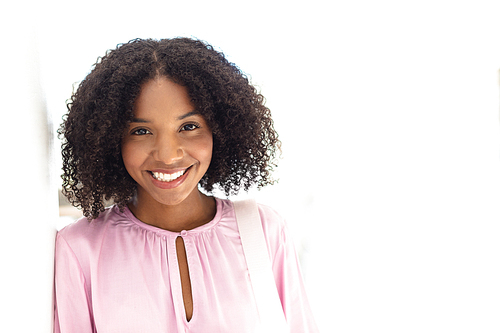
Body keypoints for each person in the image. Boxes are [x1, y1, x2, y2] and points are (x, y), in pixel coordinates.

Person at [54, 37, 318, 332]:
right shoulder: (80, 250)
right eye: (141, 131)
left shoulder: (265, 231)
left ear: (221, 129)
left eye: (189, 127)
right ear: (111, 138)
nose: (168, 155)